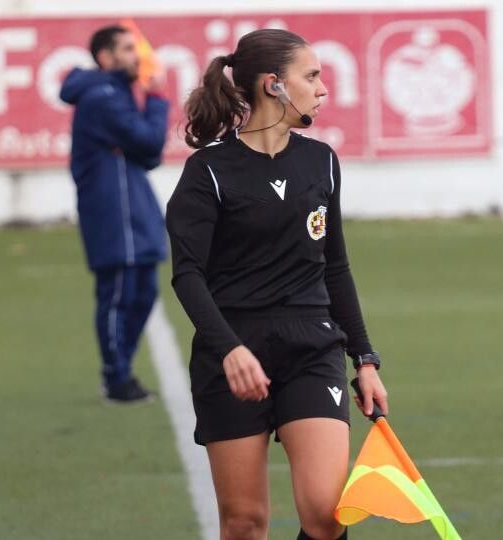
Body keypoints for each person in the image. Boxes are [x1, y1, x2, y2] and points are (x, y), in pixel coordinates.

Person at [166, 29, 389, 540]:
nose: (322, 88)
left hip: (313, 347)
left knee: (329, 515)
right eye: (311, 76)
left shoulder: (321, 161)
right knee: (245, 524)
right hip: (235, 352)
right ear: (273, 85)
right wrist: (229, 349)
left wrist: (366, 360)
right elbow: (188, 274)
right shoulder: (209, 172)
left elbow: (335, 267)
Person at [59, 25, 169, 403]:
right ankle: (116, 377)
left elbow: (149, 155)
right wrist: (155, 98)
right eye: (126, 48)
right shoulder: (102, 95)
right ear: (105, 57)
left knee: (144, 292)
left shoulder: (115, 94)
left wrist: (139, 139)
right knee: (118, 294)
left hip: (132, 205)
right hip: (112, 211)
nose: (136, 55)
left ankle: (120, 371)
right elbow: (149, 141)